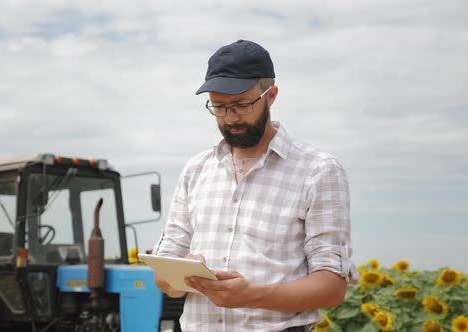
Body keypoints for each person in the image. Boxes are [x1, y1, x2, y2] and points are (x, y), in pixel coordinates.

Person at [152, 39, 358, 332]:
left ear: (271, 95)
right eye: (219, 107)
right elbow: (163, 277)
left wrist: (251, 296)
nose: (230, 118)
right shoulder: (196, 170)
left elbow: (331, 288)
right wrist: (183, 274)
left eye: (241, 105)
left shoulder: (318, 171)